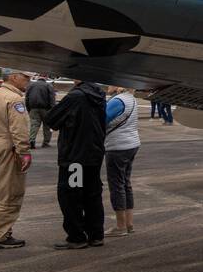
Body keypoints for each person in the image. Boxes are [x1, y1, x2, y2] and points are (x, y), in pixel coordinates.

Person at [45, 79, 107, 249]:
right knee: (92, 194)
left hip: (75, 157)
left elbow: (51, 119)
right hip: (94, 155)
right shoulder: (99, 95)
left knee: (71, 196)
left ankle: (77, 236)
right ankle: (96, 234)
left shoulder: (75, 97)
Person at [0, 67, 34, 250]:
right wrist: (24, 151)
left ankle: (1, 231)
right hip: (8, 148)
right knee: (10, 192)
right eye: (25, 77)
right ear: (13, 77)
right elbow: (19, 129)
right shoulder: (14, 99)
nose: (27, 80)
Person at [104, 85, 140, 238]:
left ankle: (120, 226)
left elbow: (102, 120)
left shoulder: (117, 101)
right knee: (126, 183)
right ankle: (129, 223)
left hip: (117, 146)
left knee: (117, 185)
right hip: (131, 144)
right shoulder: (131, 99)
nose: (107, 86)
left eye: (110, 83)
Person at [25, 75, 55, 148]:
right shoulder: (48, 85)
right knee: (47, 126)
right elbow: (52, 98)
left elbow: (27, 98)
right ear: (45, 78)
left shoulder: (31, 85)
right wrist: (52, 110)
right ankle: (45, 143)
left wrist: (29, 109)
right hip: (46, 109)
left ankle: (32, 140)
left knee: (34, 125)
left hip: (33, 108)